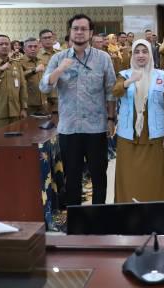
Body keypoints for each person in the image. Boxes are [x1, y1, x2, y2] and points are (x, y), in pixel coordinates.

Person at [40, 14, 117, 206]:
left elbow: (110, 91)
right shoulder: (58, 58)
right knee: (72, 177)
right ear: (70, 32)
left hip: (96, 127)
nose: (79, 32)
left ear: (91, 33)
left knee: (99, 175)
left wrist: (111, 119)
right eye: (76, 28)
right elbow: (44, 87)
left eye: (84, 29)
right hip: (69, 128)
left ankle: (98, 215)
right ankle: (76, 217)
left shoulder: (103, 58)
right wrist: (60, 70)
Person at [112, 40, 164, 202]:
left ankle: (155, 211)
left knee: (153, 178)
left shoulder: (160, 76)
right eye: (137, 52)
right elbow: (116, 91)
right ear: (132, 55)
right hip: (128, 137)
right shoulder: (124, 75)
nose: (141, 55)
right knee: (129, 177)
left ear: (150, 55)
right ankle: (126, 210)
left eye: (144, 51)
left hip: (154, 137)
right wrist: (130, 81)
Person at [20, 37, 46, 114]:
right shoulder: (19, 62)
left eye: (35, 46)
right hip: (28, 103)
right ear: (24, 49)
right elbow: (18, 77)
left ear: (39, 48)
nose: (33, 49)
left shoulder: (41, 61)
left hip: (43, 101)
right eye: (30, 46)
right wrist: (34, 70)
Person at [38, 29, 61, 113]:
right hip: (42, 95)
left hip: (58, 93)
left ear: (53, 38)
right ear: (40, 41)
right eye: (45, 38)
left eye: (50, 37)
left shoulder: (60, 54)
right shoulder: (36, 55)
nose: (48, 40)